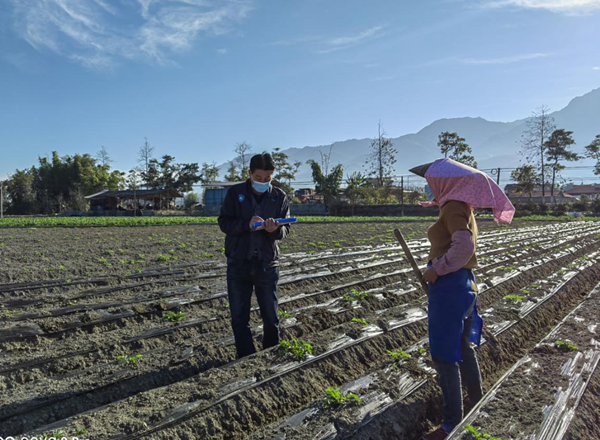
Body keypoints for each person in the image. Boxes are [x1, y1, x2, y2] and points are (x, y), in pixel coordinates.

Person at [410, 158, 515, 440]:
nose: (429, 187)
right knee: (463, 347)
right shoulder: (459, 207)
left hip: (451, 287)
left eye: (431, 182)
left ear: (444, 182)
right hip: (464, 285)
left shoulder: (453, 207)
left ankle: (450, 424)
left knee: (444, 355)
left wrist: (437, 269)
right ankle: (474, 399)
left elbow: (463, 246)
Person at [218, 153, 291, 359]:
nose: (263, 182)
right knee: (239, 317)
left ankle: (271, 354)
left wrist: (274, 230)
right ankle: (246, 358)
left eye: (267, 178)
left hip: (267, 264)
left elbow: (285, 230)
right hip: (239, 263)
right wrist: (246, 225)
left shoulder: (279, 196)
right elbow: (224, 222)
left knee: (271, 316)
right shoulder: (235, 193)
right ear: (249, 174)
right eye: (258, 178)